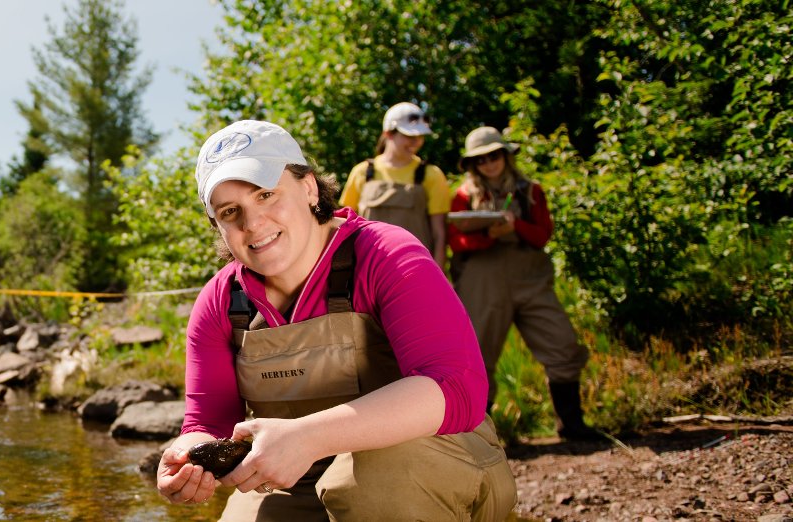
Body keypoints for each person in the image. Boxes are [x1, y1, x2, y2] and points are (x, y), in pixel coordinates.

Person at [155, 120, 514, 520]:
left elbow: (459, 390)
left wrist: (308, 438)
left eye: (266, 194)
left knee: (373, 486)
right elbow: (208, 421)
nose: (252, 223)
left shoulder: (386, 255)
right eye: (230, 211)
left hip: (434, 457)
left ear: (309, 187)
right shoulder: (219, 302)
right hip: (295, 478)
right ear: (217, 226)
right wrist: (186, 456)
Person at [448, 126, 597, 442]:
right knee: (477, 356)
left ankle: (572, 424)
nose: (489, 163)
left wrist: (517, 227)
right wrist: (488, 236)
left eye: (494, 155)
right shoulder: (463, 196)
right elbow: (456, 241)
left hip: (530, 278)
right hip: (482, 282)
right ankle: (479, 438)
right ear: (472, 164)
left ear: (505, 155)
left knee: (562, 342)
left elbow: (543, 234)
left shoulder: (531, 191)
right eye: (481, 158)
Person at [337, 102, 450, 266]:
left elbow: (440, 234)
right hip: (367, 266)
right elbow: (344, 226)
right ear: (388, 133)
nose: (416, 142)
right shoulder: (362, 172)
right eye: (409, 136)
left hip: (415, 268)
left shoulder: (432, 175)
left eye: (420, 137)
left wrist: (438, 276)